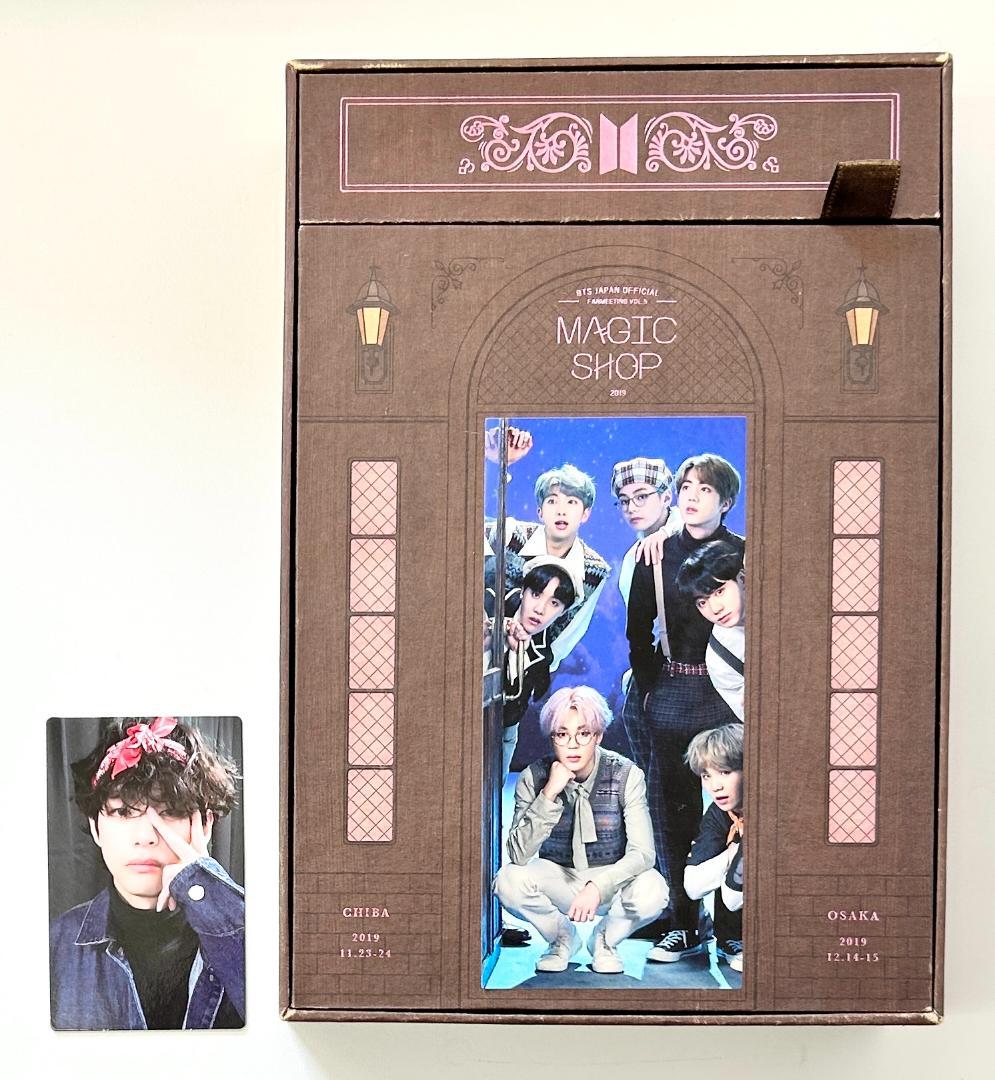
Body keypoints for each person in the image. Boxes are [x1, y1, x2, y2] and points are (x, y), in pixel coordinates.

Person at [624, 452, 745, 963]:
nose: (692, 497)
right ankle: (683, 925)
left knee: (737, 811)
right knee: (672, 814)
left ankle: (733, 928)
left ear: (726, 501)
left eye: (705, 489)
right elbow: (637, 632)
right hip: (674, 691)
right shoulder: (654, 553)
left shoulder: (745, 553)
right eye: (686, 488)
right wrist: (654, 687)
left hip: (729, 696)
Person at [50, 717, 245, 1029]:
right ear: (96, 828)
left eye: (170, 811)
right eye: (123, 812)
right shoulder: (52, 945)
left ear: (205, 825)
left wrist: (209, 894)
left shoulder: (253, 929)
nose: (145, 836)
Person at [493, 687, 669, 975]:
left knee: (654, 889)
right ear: (552, 737)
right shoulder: (534, 777)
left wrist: (598, 887)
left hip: (610, 877)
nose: (573, 745)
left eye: (584, 733)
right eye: (562, 734)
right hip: (559, 875)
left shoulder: (626, 774)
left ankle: (604, 941)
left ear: (598, 735)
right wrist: (549, 794)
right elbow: (519, 855)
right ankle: (561, 939)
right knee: (508, 881)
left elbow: (643, 854)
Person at [484, 426, 610, 671]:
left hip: (527, 669)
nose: (561, 511)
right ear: (540, 511)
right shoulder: (510, 535)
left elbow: (566, 636)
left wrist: (530, 668)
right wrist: (496, 463)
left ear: (585, 514)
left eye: (572, 502)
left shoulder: (594, 571)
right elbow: (467, 528)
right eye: (552, 501)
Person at [610, 455, 684, 775]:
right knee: (636, 721)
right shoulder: (632, 559)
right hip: (657, 663)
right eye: (624, 501)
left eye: (642, 497)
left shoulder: (692, 535)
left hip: (700, 662)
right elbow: (641, 627)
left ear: (666, 497)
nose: (632, 508)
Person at [489, 555, 582, 776]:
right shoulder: (489, 602)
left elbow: (520, 702)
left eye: (554, 603)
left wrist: (518, 653)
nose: (540, 609)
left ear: (563, 612)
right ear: (523, 591)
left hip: (504, 730)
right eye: (536, 594)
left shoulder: (543, 656)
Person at [684, 723, 745, 973]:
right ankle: (733, 939)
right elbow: (693, 887)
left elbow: (733, 898)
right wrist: (734, 851)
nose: (715, 786)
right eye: (706, 775)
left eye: (725, 772)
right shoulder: (718, 814)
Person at [676, 540, 746, 721]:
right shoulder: (720, 660)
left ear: (742, 579)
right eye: (702, 602)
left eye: (719, 592)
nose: (715, 609)